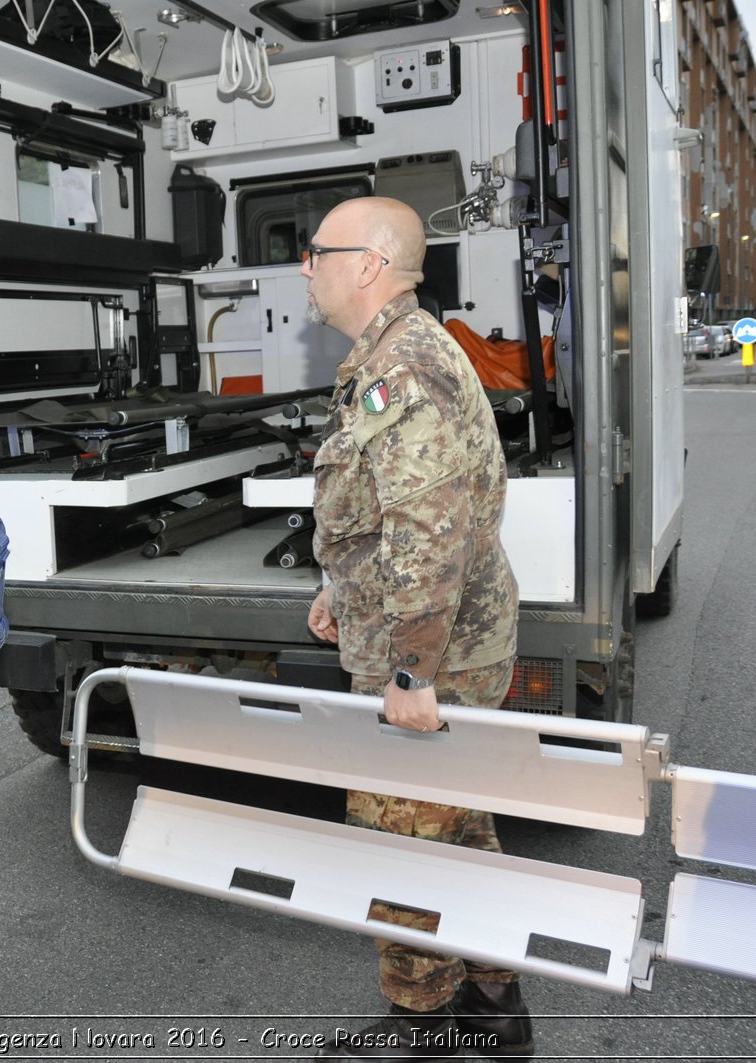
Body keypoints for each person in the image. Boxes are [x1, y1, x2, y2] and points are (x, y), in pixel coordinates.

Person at [300, 197, 531, 1061]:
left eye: (316, 250)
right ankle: (497, 1007)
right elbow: (386, 512)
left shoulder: (403, 365)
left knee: (396, 838)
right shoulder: (396, 352)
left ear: (367, 263)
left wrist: (410, 674)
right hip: (454, 641)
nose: (306, 265)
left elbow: (429, 531)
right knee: (461, 827)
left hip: (441, 655)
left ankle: (421, 1026)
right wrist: (342, 586)